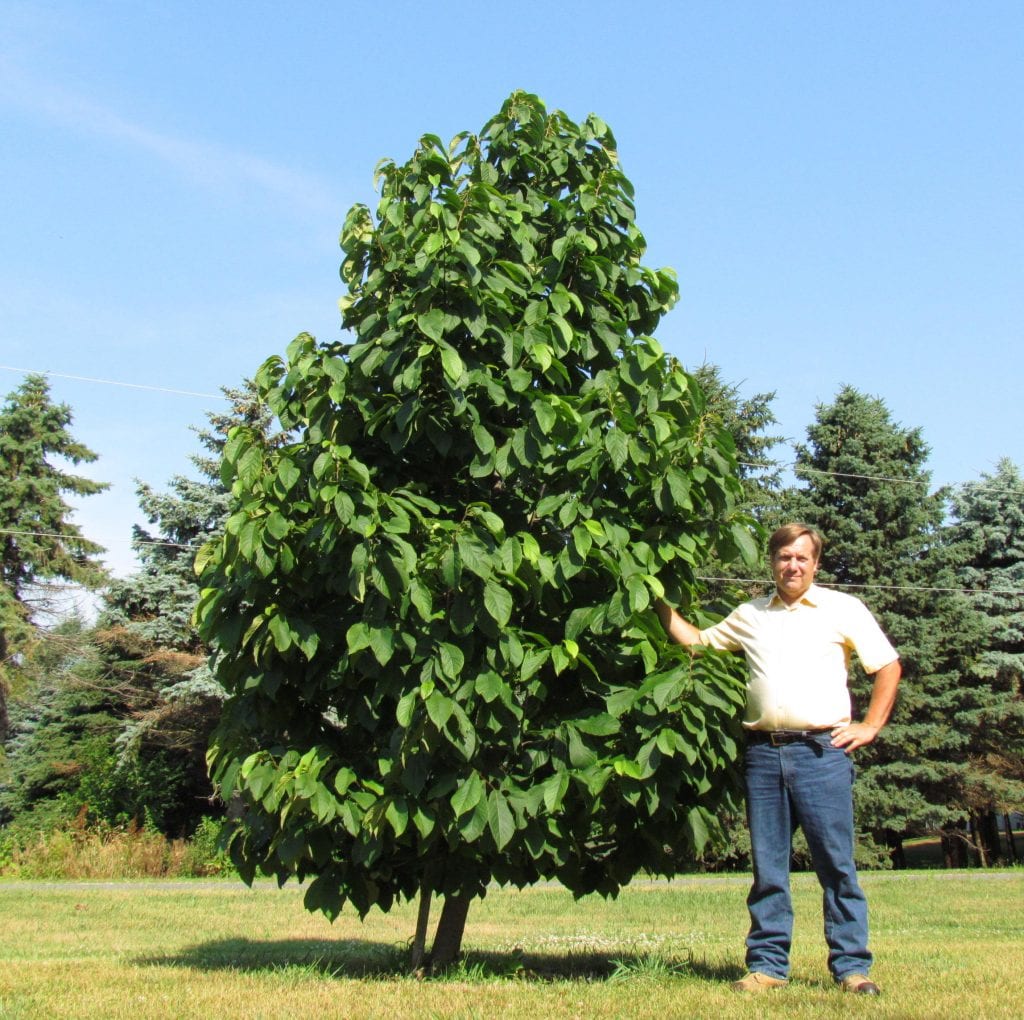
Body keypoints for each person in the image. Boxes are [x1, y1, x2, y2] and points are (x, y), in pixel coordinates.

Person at [655, 522, 901, 996]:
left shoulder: (842, 608)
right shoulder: (751, 613)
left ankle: (852, 968)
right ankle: (767, 967)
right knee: (768, 868)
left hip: (822, 752)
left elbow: (887, 665)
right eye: (784, 557)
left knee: (836, 866)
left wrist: (870, 725)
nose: (793, 565)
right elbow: (699, 643)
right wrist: (655, 600)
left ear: (816, 564)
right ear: (772, 562)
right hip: (764, 757)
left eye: (802, 558)